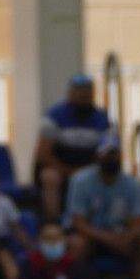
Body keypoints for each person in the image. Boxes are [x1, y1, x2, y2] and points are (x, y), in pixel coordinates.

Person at [35, 73, 112, 220]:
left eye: (87, 92)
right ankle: (54, 223)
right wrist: (69, 172)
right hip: (60, 167)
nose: (84, 95)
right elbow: (43, 154)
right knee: (50, 177)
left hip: (91, 169)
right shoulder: (54, 116)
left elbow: (107, 151)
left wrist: (88, 171)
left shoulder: (102, 118)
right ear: (70, 93)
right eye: (80, 91)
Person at [66, 140, 140, 273]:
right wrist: (109, 239)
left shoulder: (133, 185)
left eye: (114, 155)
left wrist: (127, 238)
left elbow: (137, 222)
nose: (111, 159)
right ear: (98, 156)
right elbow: (78, 222)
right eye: (107, 155)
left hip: (119, 234)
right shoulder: (81, 181)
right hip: (90, 234)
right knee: (77, 244)